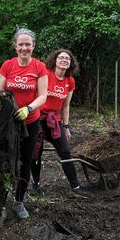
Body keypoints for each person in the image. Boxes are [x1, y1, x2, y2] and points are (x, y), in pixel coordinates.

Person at [0, 28, 48, 228]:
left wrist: (29, 108)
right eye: (21, 44)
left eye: (28, 44)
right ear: (15, 46)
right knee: (5, 163)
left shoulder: (39, 67)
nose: (24, 48)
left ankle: (19, 201)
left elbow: (43, 95)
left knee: (26, 162)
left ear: (33, 46)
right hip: (9, 123)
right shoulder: (7, 66)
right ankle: (0, 207)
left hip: (30, 121)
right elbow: (0, 92)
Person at [30, 49, 92, 198]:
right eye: (61, 57)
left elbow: (65, 106)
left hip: (54, 121)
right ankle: (35, 184)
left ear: (71, 63)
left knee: (65, 152)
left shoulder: (69, 81)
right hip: (38, 118)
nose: (64, 60)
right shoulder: (46, 73)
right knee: (36, 153)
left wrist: (66, 126)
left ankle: (75, 186)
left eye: (67, 58)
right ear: (54, 60)